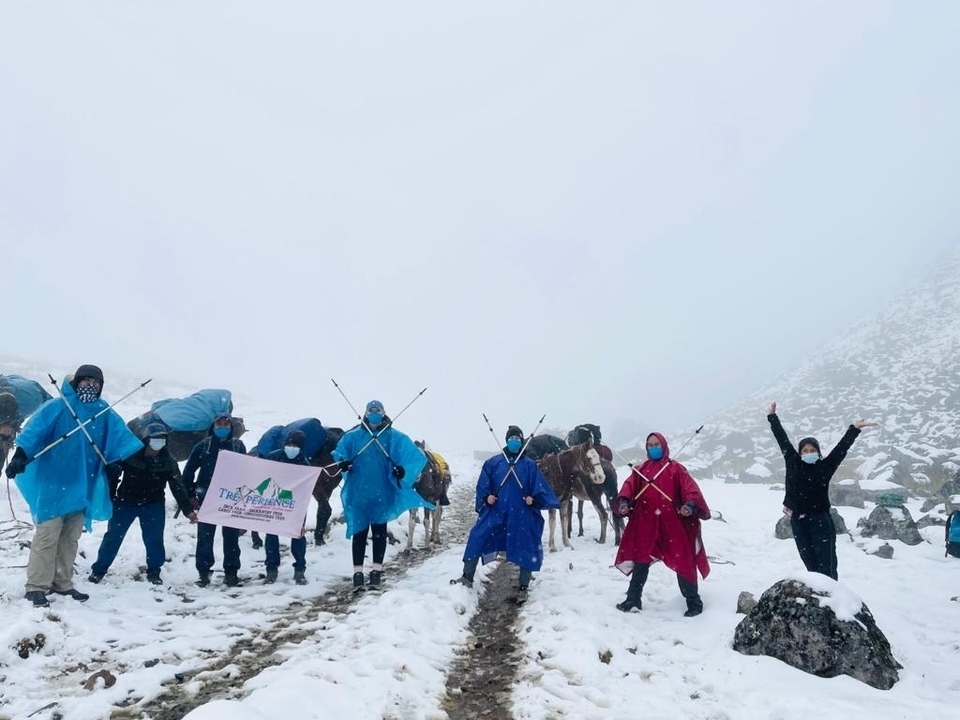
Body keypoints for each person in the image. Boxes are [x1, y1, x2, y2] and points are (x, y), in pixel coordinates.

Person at [6, 365, 143, 608]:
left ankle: (62, 582)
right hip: (52, 484)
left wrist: (116, 463)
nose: (90, 385)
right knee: (47, 535)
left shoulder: (103, 412)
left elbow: (118, 440)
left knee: (70, 538)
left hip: (82, 485)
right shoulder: (58, 407)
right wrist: (20, 454)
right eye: (85, 380)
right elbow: (33, 432)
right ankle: (36, 586)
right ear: (76, 382)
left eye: (95, 382)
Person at [767, 402, 877, 580]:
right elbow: (782, 438)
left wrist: (854, 429)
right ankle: (817, 600)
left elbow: (841, 449)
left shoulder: (825, 467)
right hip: (798, 521)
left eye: (812, 450)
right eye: (805, 450)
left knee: (826, 566)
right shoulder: (793, 462)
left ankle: (832, 600)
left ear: (818, 453)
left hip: (820, 521)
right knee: (810, 564)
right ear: (800, 452)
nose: (808, 452)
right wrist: (772, 417)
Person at [451, 425, 561, 604]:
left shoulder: (530, 466)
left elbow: (540, 490)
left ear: (522, 441)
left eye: (517, 439)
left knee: (527, 543)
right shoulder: (493, 463)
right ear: (506, 441)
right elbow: (483, 486)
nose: (514, 442)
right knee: (477, 536)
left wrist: (533, 500)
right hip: (496, 512)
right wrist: (487, 498)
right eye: (511, 439)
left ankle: (523, 586)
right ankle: (467, 577)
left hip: (521, 514)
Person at [333, 399, 428, 592]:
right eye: (371, 410)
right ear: (365, 413)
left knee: (379, 534)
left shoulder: (393, 437)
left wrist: (402, 470)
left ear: (384, 413)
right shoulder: (353, 437)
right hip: (358, 494)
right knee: (359, 533)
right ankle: (357, 574)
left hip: (381, 494)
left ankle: (376, 571)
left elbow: (413, 457)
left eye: (378, 410)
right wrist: (343, 463)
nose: (374, 413)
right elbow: (340, 454)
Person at [613, 432, 711, 617]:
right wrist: (624, 502)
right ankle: (633, 599)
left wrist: (689, 506)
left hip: (672, 523)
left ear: (664, 445)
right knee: (641, 558)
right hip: (646, 522)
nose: (653, 448)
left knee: (683, 560)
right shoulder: (641, 470)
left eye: (656, 444)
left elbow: (691, 491)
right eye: (650, 445)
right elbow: (628, 487)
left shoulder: (676, 469)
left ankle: (694, 602)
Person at [88, 423, 197, 586]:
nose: (158, 442)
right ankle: (99, 570)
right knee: (113, 536)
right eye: (155, 438)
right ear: (146, 440)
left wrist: (188, 510)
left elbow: (177, 486)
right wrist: (111, 493)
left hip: (153, 505)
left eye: (162, 439)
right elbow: (112, 474)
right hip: (126, 502)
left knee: (154, 539)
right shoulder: (130, 454)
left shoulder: (168, 462)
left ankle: (154, 571)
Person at [183, 412, 247, 587]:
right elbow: (188, 472)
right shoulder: (203, 447)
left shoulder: (238, 446)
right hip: (207, 498)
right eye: (219, 424)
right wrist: (190, 496)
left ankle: (231, 572)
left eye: (226, 424)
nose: (223, 427)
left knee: (232, 537)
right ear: (213, 426)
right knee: (205, 537)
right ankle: (204, 573)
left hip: (232, 499)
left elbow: (246, 471)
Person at [263, 429, 309, 585]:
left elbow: (306, 488)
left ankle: (299, 569)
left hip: (295, 503)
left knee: (298, 534)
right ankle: (271, 569)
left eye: (295, 445)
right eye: (289, 444)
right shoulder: (273, 457)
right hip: (273, 501)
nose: (291, 447)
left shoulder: (304, 463)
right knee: (271, 534)